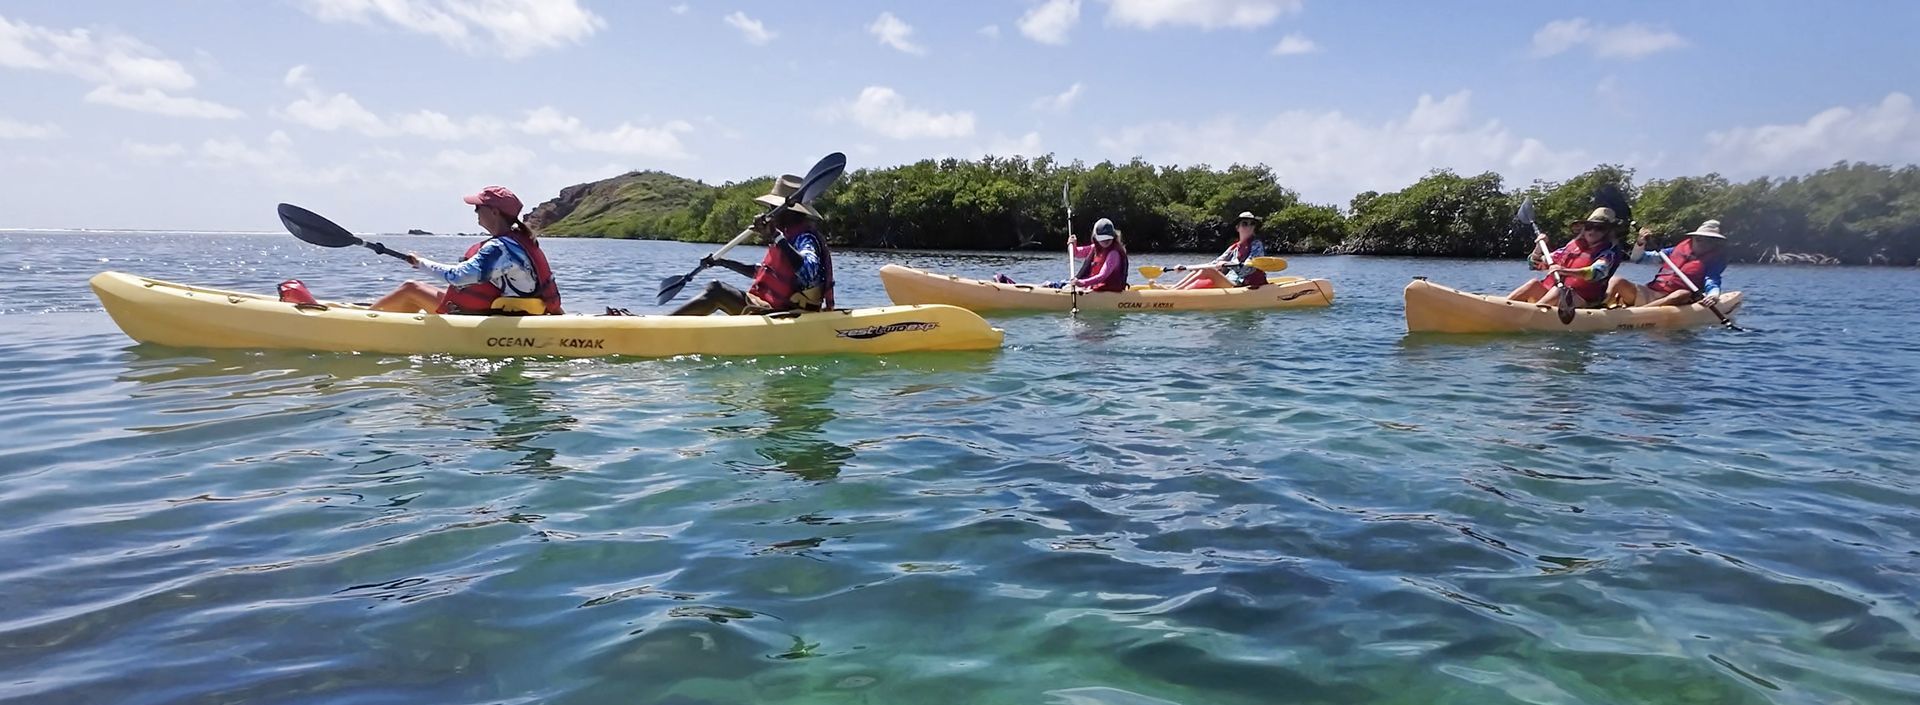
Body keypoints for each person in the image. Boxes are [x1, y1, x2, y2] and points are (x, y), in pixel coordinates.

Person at [372, 186, 563, 315]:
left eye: (478, 207)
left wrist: (420, 263)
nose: (475, 212)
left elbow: (458, 276)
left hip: (492, 317)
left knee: (410, 288)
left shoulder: (499, 248)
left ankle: (364, 323)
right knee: (416, 291)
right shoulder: (521, 241)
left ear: (494, 212)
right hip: (518, 311)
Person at [671, 175, 833, 316]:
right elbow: (762, 272)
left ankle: (664, 326)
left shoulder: (805, 238)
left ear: (790, 211)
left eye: (773, 208)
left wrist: (776, 236)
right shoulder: (787, 236)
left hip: (788, 312)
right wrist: (722, 262)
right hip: (771, 306)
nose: (769, 211)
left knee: (716, 290)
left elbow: (808, 271)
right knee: (717, 289)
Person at [1505, 207, 1625, 307]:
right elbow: (1534, 264)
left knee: (1559, 292)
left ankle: (1530, 315)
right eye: (1589, 226)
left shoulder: (1608, 253)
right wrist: (1539, 247)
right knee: (1534, 284)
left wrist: (1564, 271)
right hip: (1555, 293)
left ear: (1608, 232)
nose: (1592, 231)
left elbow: (1596, 273)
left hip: (1583, 300)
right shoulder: (1572, 247)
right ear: (1584, 229)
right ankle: (1505, 306)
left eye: (1599, 228)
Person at [1605, 220, 1730, 308]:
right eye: (1699, 239)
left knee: (1683, 293)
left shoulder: (1714, 260)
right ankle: (1601, 305)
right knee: (1616, 280)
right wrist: (1640, 243)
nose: (1703, 243)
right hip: (1651, 292)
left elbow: (1712, 281)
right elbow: (1639, 259)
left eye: (1709, 241)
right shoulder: (1674, 251)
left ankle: (1639, 312)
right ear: (1693, 238)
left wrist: (1713, 296)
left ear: (1715, 243)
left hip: (1675, 299)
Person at [991, 217, 1130, 292]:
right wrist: (1072, 244)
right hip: (1092, 288)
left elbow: (1102, 276)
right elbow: (1076, 253)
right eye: (1102, 239)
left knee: (1057, 285)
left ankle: (1015, 290)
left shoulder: (1114, 254)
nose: (1105, 242)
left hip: (1104, 291)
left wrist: (1081, 282)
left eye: (1108, 239)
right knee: (1050, 284)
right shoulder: (1096, 247)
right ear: (1096, 237)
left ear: (1113, 237)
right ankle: (1015, 286)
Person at [1172, 211, 1269, 289]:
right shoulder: (1234, 248)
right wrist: (1186, 267)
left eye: (1252, 224)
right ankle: (1174, 289)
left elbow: (1250, 266)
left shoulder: (1256, 244)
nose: (1249, 226)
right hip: (1230, 281)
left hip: (1242, 285)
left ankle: (1174, 292)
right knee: (1202, 270)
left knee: (1208, 271)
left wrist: (1227, 264)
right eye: (1244, 223)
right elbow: (1214, 263)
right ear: (1237, 228)